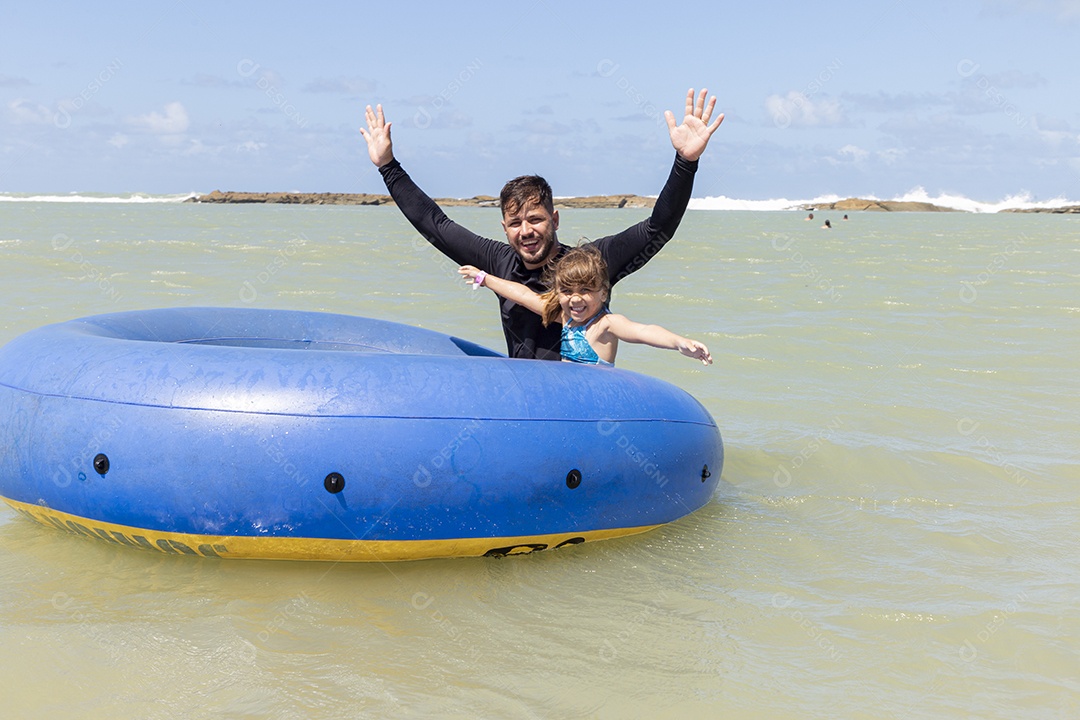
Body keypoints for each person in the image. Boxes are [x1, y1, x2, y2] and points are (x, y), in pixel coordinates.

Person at [359, 89, 723, 360]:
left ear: (555, 219)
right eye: (515, 223)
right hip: (528, 406)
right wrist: (388, 167)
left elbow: (657, 229)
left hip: (573, 403)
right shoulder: (497, 260)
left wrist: (685, 163)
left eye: (535, 219)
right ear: (504, 229)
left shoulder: (588, 265)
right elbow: (434, 224)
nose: (526, 231)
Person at [458, 246, 712, 366]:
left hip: (594, 405)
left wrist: (679, 343)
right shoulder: (565, 318)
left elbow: (644, 331)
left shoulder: (606, 324)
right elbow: (524, 295)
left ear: (603, 293)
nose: (575, 299)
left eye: (586, 291)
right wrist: (485, 278)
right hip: (569, 399)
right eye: (567, 291)